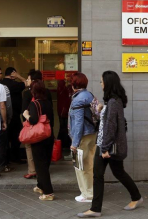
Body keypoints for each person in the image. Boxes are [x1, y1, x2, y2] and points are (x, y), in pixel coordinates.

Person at [77, 71, 142, 218]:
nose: (100, 84)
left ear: (108, 83)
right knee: (117, 172)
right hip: (107, 143)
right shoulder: (114, 101)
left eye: (101, 81)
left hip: (106, 145)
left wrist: (105, 148)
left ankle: (95, 208)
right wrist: (101, 110)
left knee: (98, 175)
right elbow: (108, 122)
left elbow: (111, 127)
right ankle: (136, 197)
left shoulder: (113, 102)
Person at [22, 80, 55, 201]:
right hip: (48, 135)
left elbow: (34, 120)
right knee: (44, 163)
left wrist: (26, 115)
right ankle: (40, 186)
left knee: (40, 165)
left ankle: (48, 192)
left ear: (33, 91)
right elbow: (50, 119)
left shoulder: (34, 104)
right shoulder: (47, 102)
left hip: (39, 137)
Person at [69, 72, 97, 203]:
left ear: (74, 84)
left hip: (82, 137)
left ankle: (87, 194)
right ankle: (89, 191)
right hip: (91, 134)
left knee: (81, 166)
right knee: (88, 164)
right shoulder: (89, 95)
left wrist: (75, 143)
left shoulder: (78, 99)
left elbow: (78, 123)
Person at [0, 67, 26, 164]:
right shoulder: (15, 84)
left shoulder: (1, 84)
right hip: (14, 115)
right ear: (13, 73)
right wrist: (19, 76)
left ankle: (5, 159)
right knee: (16, 137)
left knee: (4, 138)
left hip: (1, 115)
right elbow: (27, 83)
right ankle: (14, 157)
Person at [0, 66, 13, 173]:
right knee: (2, 143)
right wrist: (7, 118)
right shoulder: (3, 87)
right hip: (0, 119)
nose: (1, 75)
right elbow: (7, 105)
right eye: (0, 73)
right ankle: (3, 165)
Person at [57, 78, 73, 150]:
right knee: (65, 128)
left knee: (64, 128)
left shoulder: (63, 89)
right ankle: (64, 144)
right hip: (64, 111)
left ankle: (62, 144)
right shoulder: (65, 89)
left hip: (63, 111)